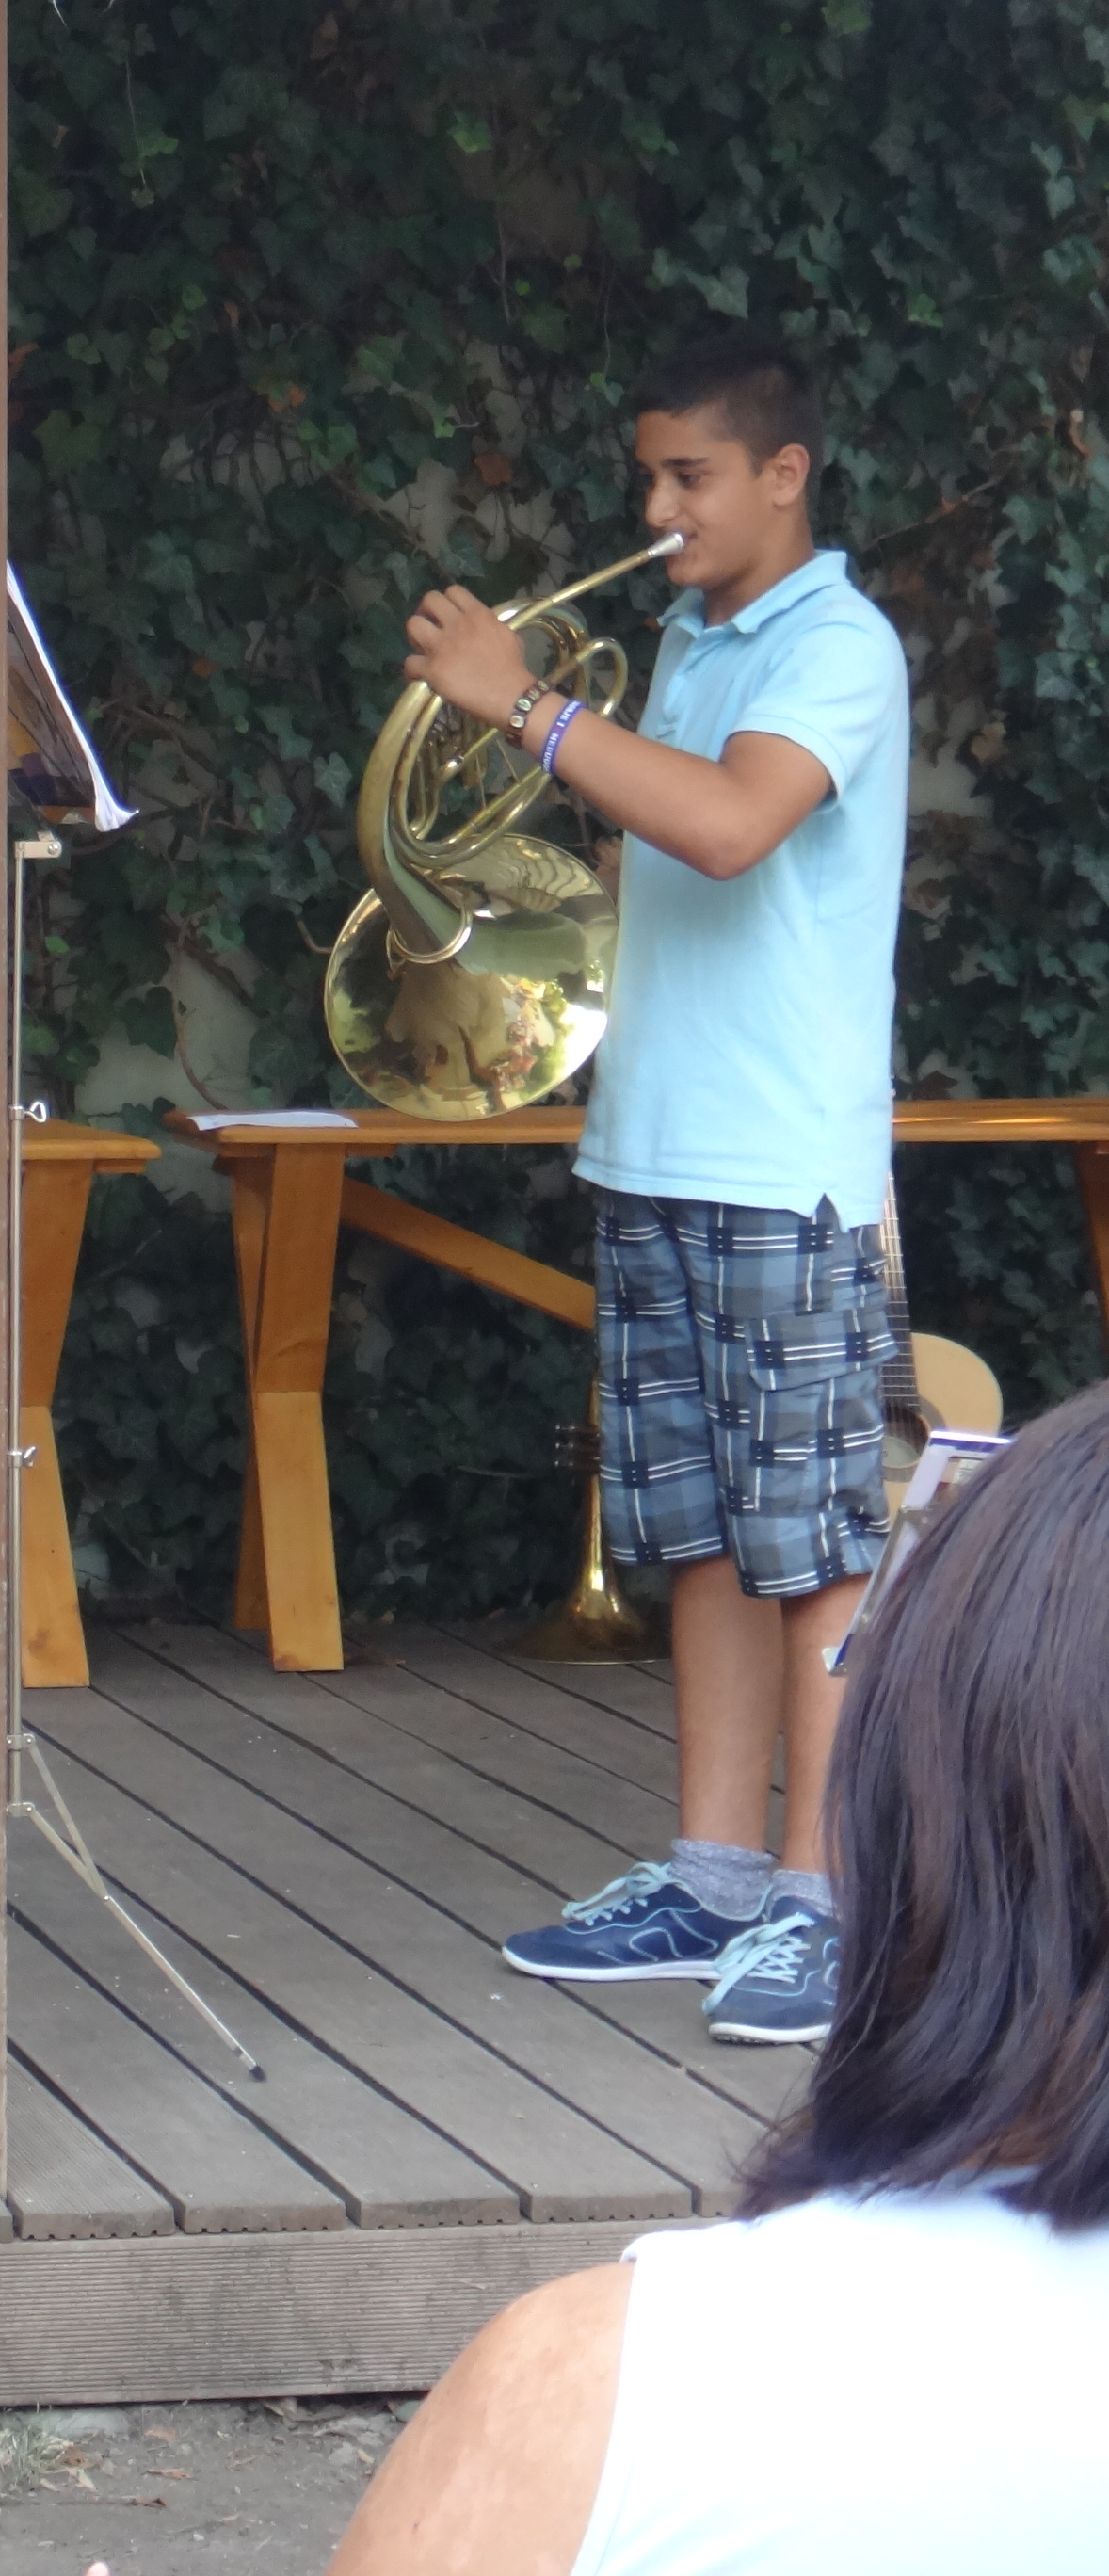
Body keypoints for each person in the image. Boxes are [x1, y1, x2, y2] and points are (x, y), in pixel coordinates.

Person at [328, 1381, 1109, 2572]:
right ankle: (717, 1873)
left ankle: (785, 1891)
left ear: (904, 1806)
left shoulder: (593, 2391)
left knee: (791, 1491)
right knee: (704, 1482)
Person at [404, 329, 910, 2047]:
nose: (655, 509)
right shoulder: (691, 643)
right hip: (654, 1145)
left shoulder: (836, 644)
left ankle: (822, 1901)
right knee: (695, 1537)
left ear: (784, 475)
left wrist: (530, 710)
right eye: (648, 476)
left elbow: (728, 826)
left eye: (689, 476)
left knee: (814, 1550)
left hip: (783, 1163)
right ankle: (711, 1877)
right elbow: (641, 859)